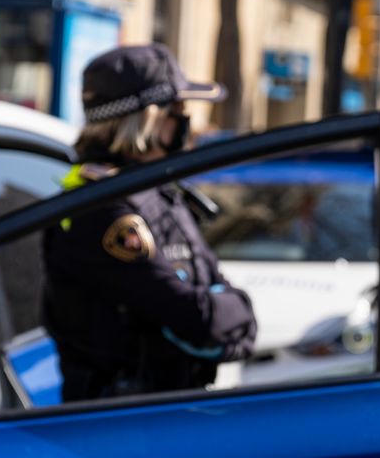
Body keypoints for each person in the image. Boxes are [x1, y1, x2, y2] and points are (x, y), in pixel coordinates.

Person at [41, 45, 258, 401]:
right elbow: (199, 321)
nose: (188, 123)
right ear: (148, 118)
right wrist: (231, 316)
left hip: (165, 409)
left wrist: (235, 317)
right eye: (178, 110)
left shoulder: (157, 192)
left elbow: (223, 300)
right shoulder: (104, 211)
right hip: (121, 422)